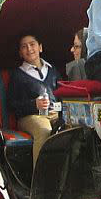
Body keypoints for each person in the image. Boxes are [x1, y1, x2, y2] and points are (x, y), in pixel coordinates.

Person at [7, 33, 61, 166]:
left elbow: (61, 94)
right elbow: (12, 104)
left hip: (54, 113)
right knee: (44, 131)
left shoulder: (53, 71)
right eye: (24, 47)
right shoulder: (17, 75)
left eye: (32, 44)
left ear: (40, 48)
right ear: (20, 53)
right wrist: (34, 104)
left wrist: (59, 107)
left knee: (71, 129)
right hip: (30, 118)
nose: (29, 49)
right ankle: (40, 179)